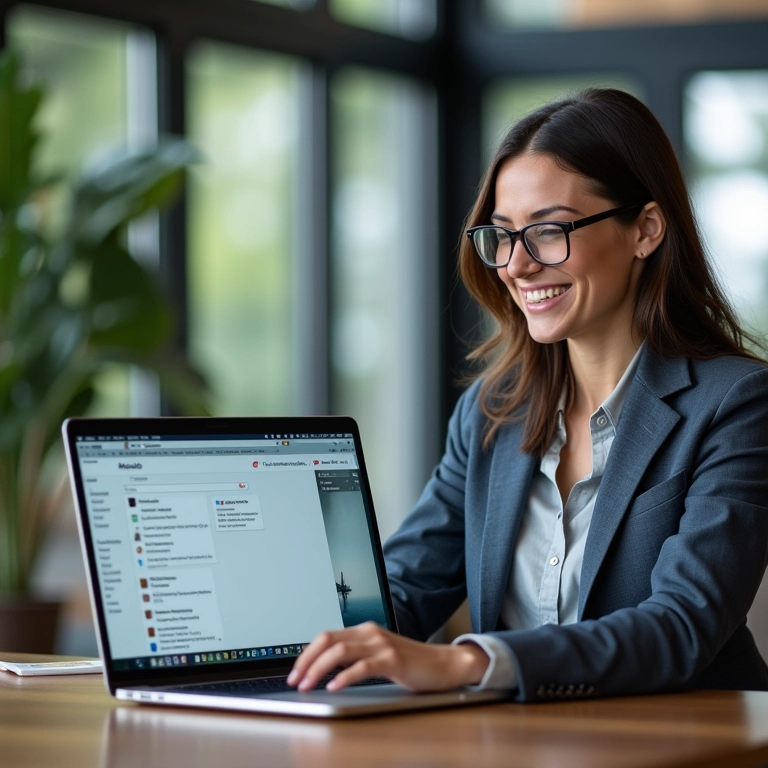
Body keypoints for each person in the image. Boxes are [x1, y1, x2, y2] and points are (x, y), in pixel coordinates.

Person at [288, 88, 768, 701]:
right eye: (503, 236)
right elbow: (403, 592)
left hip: (683, 747)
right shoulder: (493, 411)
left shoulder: (737, 404)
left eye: (547, 231)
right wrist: (266, 648)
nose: (516, 266)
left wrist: (469, 664)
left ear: (645, 229)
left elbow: (680, 626)